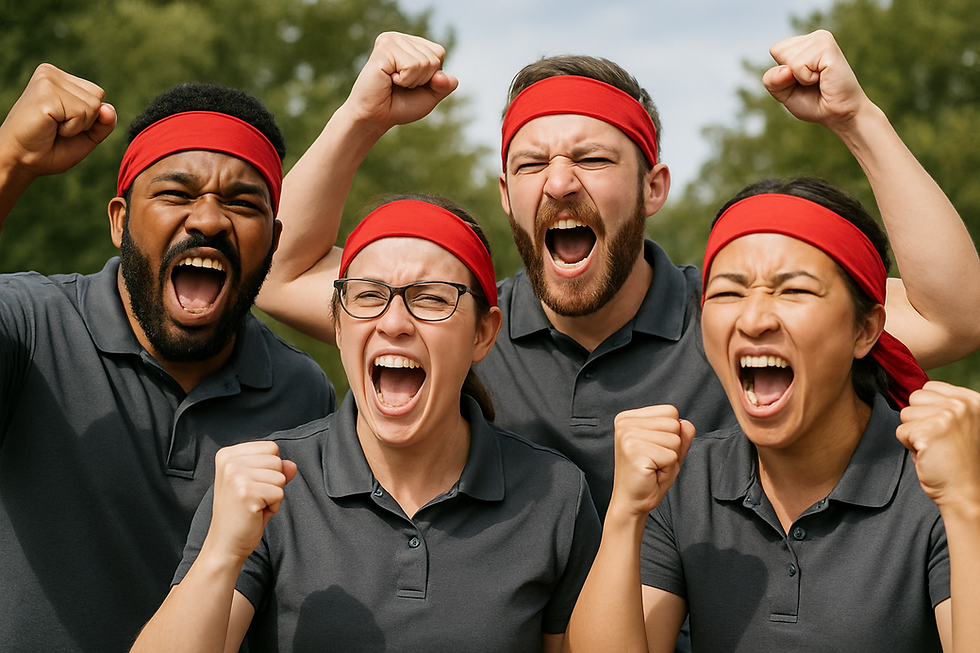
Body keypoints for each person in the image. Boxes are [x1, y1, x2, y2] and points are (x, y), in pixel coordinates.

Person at [256, 30, 980, 524]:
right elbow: (278, 269)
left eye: (593, 159)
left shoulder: (735, 319)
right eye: (531, 164)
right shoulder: (455, 325)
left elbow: (954, 315)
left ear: (653, 187)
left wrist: (857, 120)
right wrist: (360, 117)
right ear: (506, 195)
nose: (559, 182)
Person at [130, 197, 602, 652]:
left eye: (430, 299)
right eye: (369, 295)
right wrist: (221, 553)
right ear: (339, 326)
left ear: (483, 333)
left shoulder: (556, 495)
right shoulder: (268, 490)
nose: (394, 323)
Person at [562, 175, 979, 651]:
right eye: (728, 293)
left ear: (865, 330)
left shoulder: (940, 483)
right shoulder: (684, 481)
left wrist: (965, 505)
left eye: (794, 290)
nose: (755, 319)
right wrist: (624, 514)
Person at [0, 65, 336, 651]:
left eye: (242, 203)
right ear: (120, 220)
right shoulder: (29, 325)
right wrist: (10, 160)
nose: (208, 220)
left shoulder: (302, 392)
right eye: (176, 194)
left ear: (274, 240)